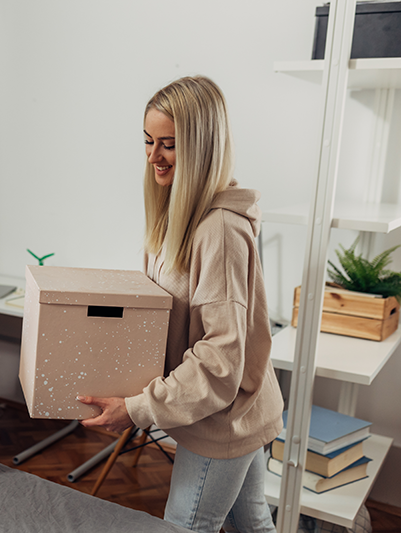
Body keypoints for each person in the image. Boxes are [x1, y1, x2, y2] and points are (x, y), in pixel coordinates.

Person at [78, 76, 284, 533]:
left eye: (168, 144)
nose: (153, 156)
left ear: (202, 147)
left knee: (185, 525)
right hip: (235, 408)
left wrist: (138, 408)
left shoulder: (220, 231)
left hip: (223, 419)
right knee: (251, 521)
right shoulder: (179, 213)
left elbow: (220, 356)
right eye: (148, 141)